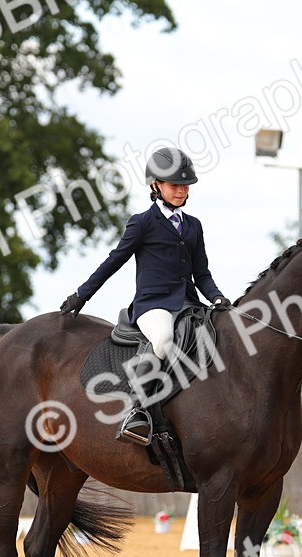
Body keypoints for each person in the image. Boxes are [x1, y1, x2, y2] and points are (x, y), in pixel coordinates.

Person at [60, 147, 231, 445]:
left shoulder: (193, 226)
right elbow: (113, 261)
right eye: (174, 185)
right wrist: (81, 296)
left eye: (185, 185)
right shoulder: (142, 222)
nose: (181, 191)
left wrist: (217, 298)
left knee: (218, 337)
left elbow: (201, 273)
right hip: (153, 305)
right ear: (156, 185)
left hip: (189, 303)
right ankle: (136, 411)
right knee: (163, 338)